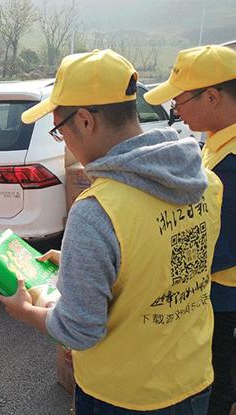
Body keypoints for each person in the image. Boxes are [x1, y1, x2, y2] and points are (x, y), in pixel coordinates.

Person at [0, 49, 223, 414]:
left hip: (124, 397)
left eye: (59, 130)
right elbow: (163, 266)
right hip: (193, 381)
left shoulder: (97, 211)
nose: (64, 140)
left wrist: (26, 312)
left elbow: (79, 331)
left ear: (84, 121)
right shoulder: (206, 183)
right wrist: (82, 262)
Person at [144, 44, 236, 415]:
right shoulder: (217, 143)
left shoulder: (231, 161)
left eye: (179, 101)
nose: (175, 111)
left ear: (212, 96)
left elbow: (218, 246)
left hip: (226, 298)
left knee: (216, 387)